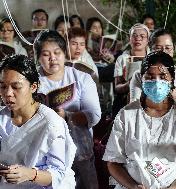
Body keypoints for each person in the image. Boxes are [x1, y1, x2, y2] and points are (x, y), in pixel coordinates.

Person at [103, 51, 176, 189]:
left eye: (163, 76)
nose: (157, 82)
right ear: (141, 79)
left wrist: (173, 188)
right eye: (150, 77)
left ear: (172, 80)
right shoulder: (127, 114)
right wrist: (133, 186)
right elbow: (113, 163)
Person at [34, 30, 101, 189]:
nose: (53, 58)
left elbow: (94, 115)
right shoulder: (32, 81)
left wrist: (67, 116)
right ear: (37, 57)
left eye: (57, 52)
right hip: (44, 151)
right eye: (46, 54)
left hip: (79, 148)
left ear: (64, 53)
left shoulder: (81, 78)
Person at [0, 54, 76, 189]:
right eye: (3, 87)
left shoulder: (51, 123)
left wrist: (30, 174)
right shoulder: (2, 117)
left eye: (16, 87)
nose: (8, 93)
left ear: (33, 87)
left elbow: (58, 174)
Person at [130, 28, 176, 110]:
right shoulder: (139, 75)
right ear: (150, 50)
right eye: (158, 48)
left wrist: (170, 89)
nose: (164, 52)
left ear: (173, 50)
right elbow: (134, 106)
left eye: (168, 48)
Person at [112, 23, 150, 117]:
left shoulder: (153, 58)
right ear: (130, 39)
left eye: (142, 36)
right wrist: (128, 84)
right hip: (125, 98)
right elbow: (117, 87)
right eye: (134, 36)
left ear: (147, 40)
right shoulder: (122, 59)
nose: (138, 39)